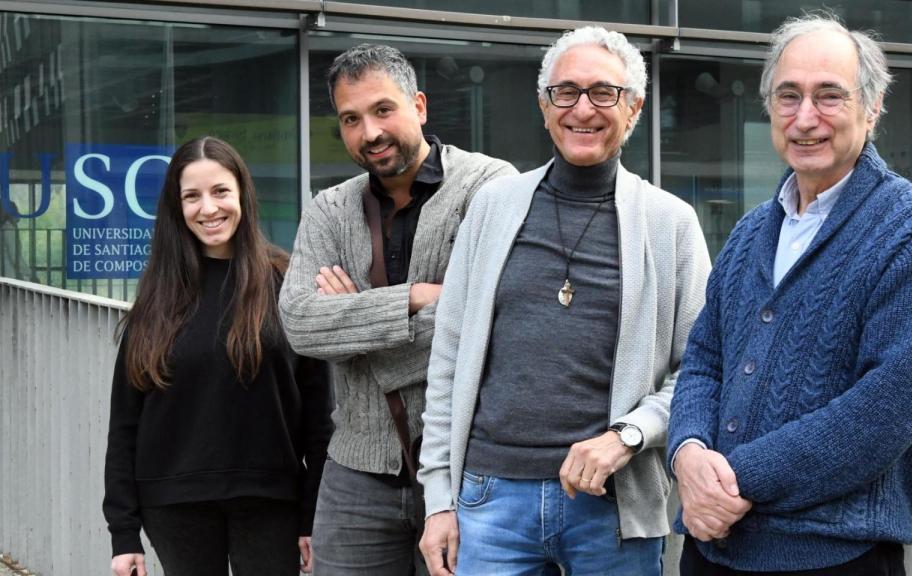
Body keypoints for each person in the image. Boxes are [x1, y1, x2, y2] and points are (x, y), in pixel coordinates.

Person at [666, 12, 912, 575]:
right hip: (711, 550)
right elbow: (703, 360)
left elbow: (889, 405)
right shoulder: (752, 230)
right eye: (788, 96)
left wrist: (732, 480)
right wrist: (686, 454)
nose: (806, 118)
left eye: (829, 96)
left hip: (832, 558)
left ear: (872, 108)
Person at [418, 26, 711, 576]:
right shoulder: (492, 207)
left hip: (612, 509)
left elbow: (699, 372)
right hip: (489, 503)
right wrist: (438, 498)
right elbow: (449, 359)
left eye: (603, 92)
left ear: (634, 107)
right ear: (544, 105)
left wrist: (628, 436)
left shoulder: (671, 223)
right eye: (566, 91)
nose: (583, 108)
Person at [278, 44, 516, 575]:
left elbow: (494, 318)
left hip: (468, 466)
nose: (370, 133)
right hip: (356, 469)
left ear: (420, 106)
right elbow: (297, 322)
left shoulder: (489, 186)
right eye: (351, 119)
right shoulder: (329, 209)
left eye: (383, 110)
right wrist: (415, 297)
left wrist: (354, 325)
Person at [103, 136, 333, 576]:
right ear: (177, 206)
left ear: (242, 193)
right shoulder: (157, 299)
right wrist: (123, 532)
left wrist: (312, 516)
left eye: (220, 191)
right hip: (174, 504)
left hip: (271, 503)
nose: (208, 208)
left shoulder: (286, 285)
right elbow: (125, 424)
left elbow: (319, 418)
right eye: (192, 196)